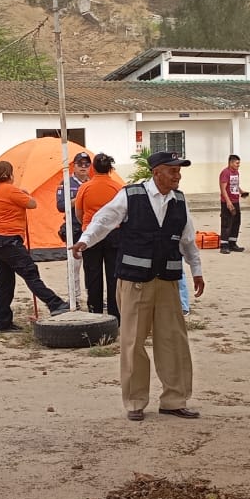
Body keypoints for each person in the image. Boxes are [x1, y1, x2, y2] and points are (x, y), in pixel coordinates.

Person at [74, 150, 206, 421]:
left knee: (173, 341)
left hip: (167, 280)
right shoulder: (130, 195)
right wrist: (85, 240)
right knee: (133, 341)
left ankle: (174, 399)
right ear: (157, 172)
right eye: (172, 170)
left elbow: (187, 240)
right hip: (134, 281)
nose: (177, 175)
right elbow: (104, 219)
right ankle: (135, 401)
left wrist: (197, 271)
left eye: (179, 170)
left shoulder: (180, 201)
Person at [0, 160, 68, 331]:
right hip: (8, 241)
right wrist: (26, 194)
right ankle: (55, 304)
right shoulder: (10, 190)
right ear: (9, 175)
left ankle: (2, 322)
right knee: (30, 273)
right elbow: (32, 204)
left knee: (4, 282)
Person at [75, 152, 124, 319]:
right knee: (114, 275)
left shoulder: (85, 187)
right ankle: (115, 314)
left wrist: (87, 226)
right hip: (113, 233)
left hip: (91, 235)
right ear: (110, 168)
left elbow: (79, 212)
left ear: (93, 168)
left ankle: (95, 312)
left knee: (93, 274)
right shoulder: (118, 187)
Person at [56, 150, 92, 299]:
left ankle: (92, 296)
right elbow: (60, 206)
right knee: (74, 265)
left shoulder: (92, 183)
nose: (83, 167)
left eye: (86, 164)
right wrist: (78, 200)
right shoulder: (66, 183)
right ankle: (74, 297)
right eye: (80, 164)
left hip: (90, 229)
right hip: (74, 228)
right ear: (74, 166)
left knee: (91, 266)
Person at [218, 153, 246, 253]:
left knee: (236, 222)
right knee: (226, 223)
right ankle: (224, 245)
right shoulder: (225, 173)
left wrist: (241, 192)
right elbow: (223, 189)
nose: (238, 165)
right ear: (231, 163)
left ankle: (232, 243)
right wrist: (228, 202)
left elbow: (235, 184)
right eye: (237, 163)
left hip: (236, 201)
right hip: (227, 202)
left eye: (239, 163)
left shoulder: (236, 172)